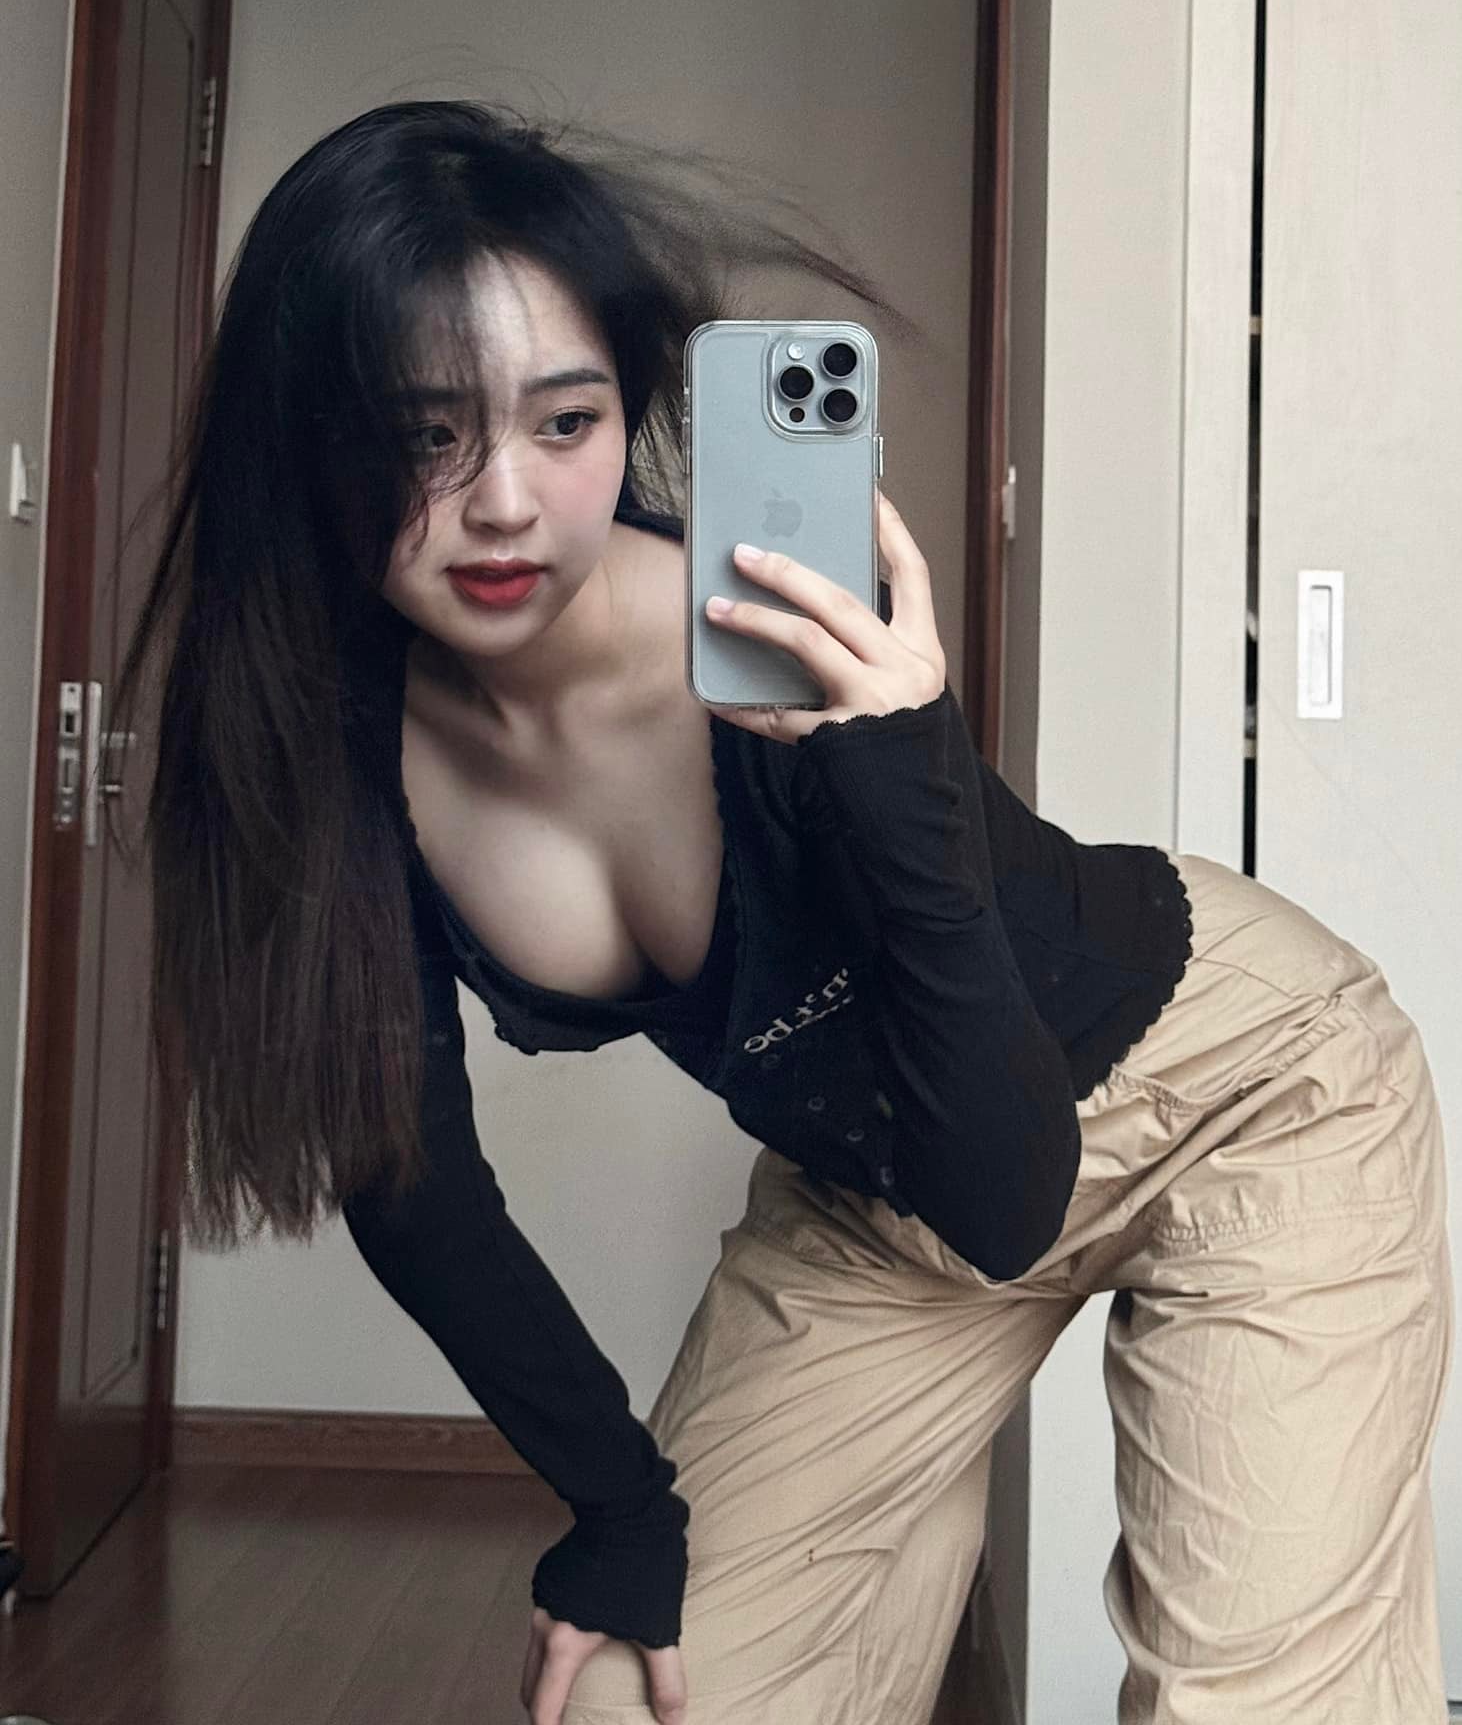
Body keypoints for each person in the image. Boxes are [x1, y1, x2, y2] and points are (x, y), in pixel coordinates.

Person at [115, 101, 1453, 1725]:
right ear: (307, 442)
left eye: (565, 420)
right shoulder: (323, 749)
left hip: (1242, 1086)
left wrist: (898, 766)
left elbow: (1005, 1197)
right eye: (423, 436)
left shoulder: (777, 646)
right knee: (634, 1700)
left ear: (628, 410)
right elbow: (411, 1180)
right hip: (879, 1195)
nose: (506, 503)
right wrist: (617, 1508)